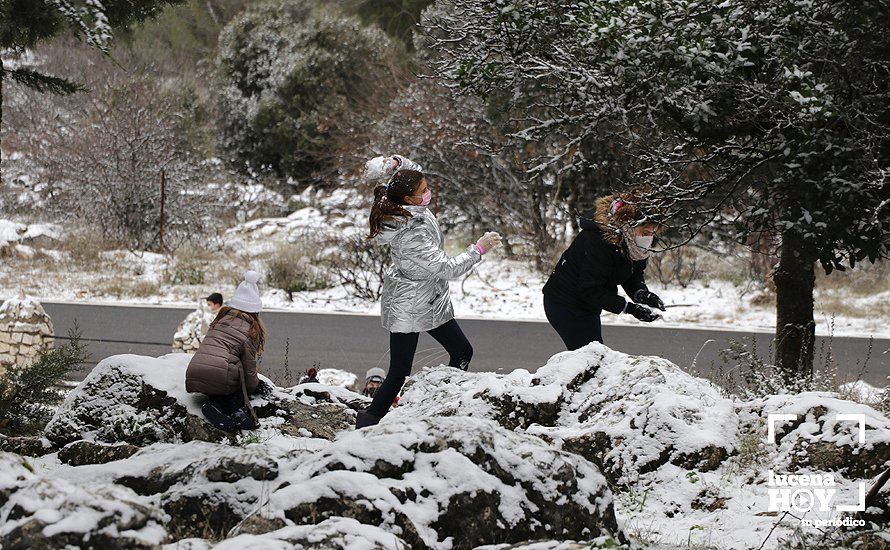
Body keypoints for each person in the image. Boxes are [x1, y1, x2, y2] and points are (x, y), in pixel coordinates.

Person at [355, 163, 502, 429]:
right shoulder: (412, 232)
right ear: (409, 198)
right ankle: (368, 422)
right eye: (423, 190)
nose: (428, 192)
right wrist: (478, 249)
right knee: (400, 370)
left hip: (429, 299)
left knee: (462, 351)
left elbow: (411, 172)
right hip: (410, 305)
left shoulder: (409, 208)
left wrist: (397, 163)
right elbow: (447, 268)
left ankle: (444, 402)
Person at [542, 190, 665, 351]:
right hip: (565, 304)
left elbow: (633, 273)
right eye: (645, 232)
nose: (648, 237)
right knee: (592, 360)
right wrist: (629, 308)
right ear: (628, 225)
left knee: (592, 358)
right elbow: (590, 289)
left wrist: (641, 294)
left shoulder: (634, 244)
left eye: (652, 233)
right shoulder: (599, 241)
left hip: (588, 305)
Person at [186, 271, 269, 431]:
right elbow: (249, 370)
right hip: (221, 376)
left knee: (221, 373)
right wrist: (256, 386)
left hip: (194, 373)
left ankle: (215, 406)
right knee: (234, 369)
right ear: (255, 310)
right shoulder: (249, 330)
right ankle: (237, 410)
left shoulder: (219, 321)